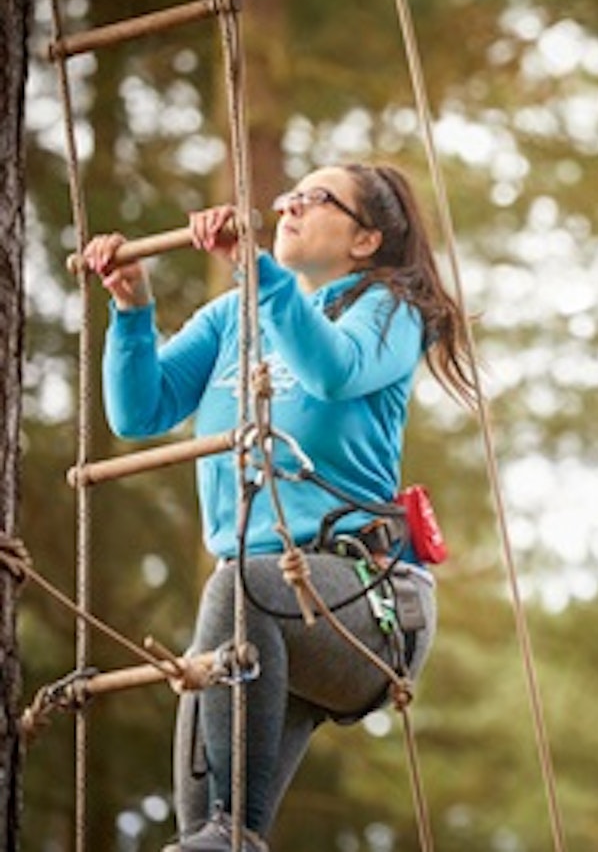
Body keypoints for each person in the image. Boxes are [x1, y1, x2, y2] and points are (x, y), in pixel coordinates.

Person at [82, 163, 477, 852]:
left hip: (366, 598)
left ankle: (234, 830)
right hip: (265, 611)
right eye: (287, 192)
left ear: (365, 239)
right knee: (199, 836)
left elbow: (332, 370)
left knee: (237, 592)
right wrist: (132, 310)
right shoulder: (234, 317)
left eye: (315, 198)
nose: (289, 204)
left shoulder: (389, 310)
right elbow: (139, 412)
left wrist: (259, 277)